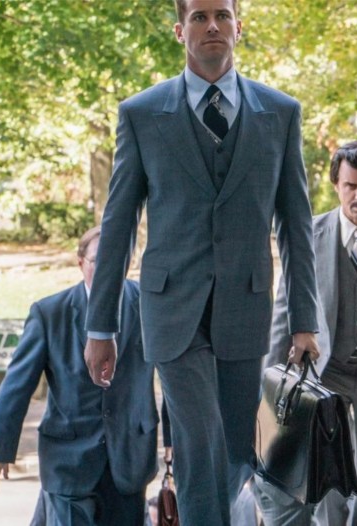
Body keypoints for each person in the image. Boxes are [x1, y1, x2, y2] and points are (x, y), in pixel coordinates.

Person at [83, 1, 320, 524]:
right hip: (172, 312)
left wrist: (305, 320)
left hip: (246, 309)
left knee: (235, 451)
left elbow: (296, 225)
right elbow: (118, 224)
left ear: (239, 26)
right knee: (199, 439)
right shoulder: (141, 114)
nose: (211, 25)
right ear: (179, 30)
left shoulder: (280, 113)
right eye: (198, 17)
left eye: (221, 15)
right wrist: (101, 325)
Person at [252, 141, 357, 525]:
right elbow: (285, 311)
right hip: (326, 376)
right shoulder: (309, 235)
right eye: (350, 186)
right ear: (336, 186)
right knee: (328, 481)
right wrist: (268, 387)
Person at [0, 226, 158, 525]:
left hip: (129, 458)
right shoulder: (50, 313)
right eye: (98, 262)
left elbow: (172, 373)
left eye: (117, 260)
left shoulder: (148, 306)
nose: (108, 271)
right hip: (68, 459)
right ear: (80, 263)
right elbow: (17, 385)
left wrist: (176, 441)